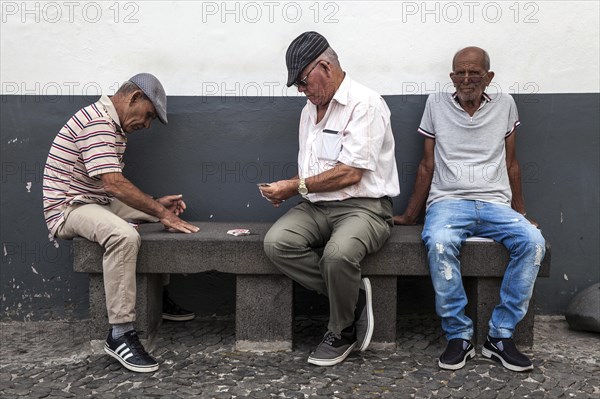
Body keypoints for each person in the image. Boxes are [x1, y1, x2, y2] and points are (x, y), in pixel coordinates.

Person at [394, 47, 546, 372]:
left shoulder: (505, 104)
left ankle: (500, 336)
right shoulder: (435, 104)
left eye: (474, 73)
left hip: (495, 202)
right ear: (451, 77)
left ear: (488, 77)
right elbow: (426, 164)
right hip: (448, 202)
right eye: (459, 73)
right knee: (438, 243)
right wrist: (409, 216)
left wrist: (520, 211)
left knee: (533, 243)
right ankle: (459, 335)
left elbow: (511, 163)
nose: (466, 79)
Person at [42, 73, 200, 373]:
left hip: (94, 200)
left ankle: (156, 298)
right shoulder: (99, 123)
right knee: (124, 236)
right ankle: (120, 333)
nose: (147, 124)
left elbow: (109, 189)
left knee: (161, 218)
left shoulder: (112, 125)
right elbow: (114, 184)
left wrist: (157, 207)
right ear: (135, 98)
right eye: (149, 115)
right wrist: (158, 210)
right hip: (69, 207)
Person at [260, 32, 400, 366]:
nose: (300, 89)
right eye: (297, 83)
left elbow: (350, 173)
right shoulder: (310, 110)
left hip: (364, 207)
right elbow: (314, 170)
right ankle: (352, 298)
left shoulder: (365, 104)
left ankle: (342, 330)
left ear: (326, 65)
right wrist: (293, 187)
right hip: (317, 204)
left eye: (303, 80)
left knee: (337, 256)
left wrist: (293, 187)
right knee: (277, 243)